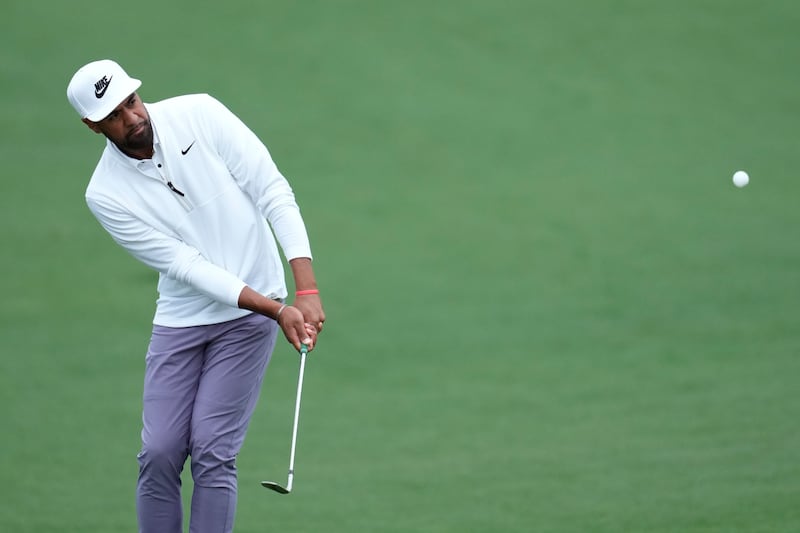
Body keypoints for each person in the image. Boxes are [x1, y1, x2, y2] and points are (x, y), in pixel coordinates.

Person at [66, 59, 325, 533]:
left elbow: (272, 190)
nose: (133, 118)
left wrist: (303, 287)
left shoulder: (200, 114)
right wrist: (276, 309)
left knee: (211, 449)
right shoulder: (104, 193)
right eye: (115, 116)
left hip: (249, 318)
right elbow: (185, 265)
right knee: (160, 452)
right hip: (185, 318)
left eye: (132, 102)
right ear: (92, 126)